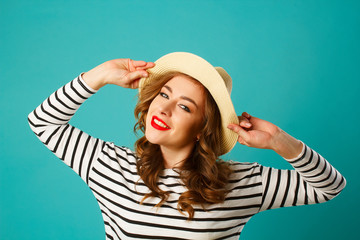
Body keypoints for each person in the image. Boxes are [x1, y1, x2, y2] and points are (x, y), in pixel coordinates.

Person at [28, 52, 346, 240]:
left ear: (201, 129)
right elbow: (42, 123)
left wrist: (278, 140)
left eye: (185, 106)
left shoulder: (239, 182)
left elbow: (329, 187)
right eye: (164, 95)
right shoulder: (110, 166)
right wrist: (97, 76)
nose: (163, 110)